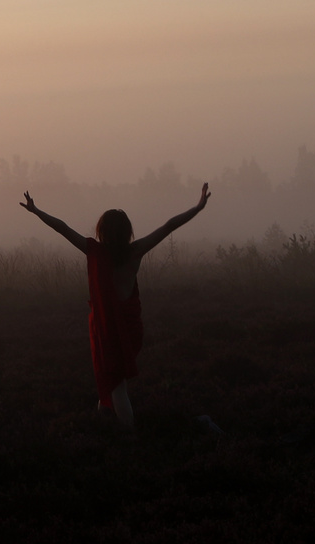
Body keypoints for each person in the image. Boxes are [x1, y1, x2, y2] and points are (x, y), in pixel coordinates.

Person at [20, 182, 211, 430]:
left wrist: (37, 211)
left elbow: (63, 229)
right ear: (127, 232)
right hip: (130, 330)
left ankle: (129, 440)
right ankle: (105, 425)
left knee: (116, 385)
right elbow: (168, 226)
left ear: (103, 232)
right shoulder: (136, 251)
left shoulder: (95, 251)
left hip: (110, 331)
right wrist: (197, 208)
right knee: (110, 381)